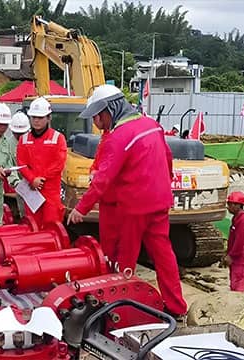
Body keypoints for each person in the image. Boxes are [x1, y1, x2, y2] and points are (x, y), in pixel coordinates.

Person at [67, 84, 187, 318]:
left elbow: (102, 180)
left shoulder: (119, 137)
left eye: (97, 117)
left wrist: (81, 208)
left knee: (124, 259)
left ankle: (120, 307)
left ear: (108, 111)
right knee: (164, 256)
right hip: (159, 202)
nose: (96, 123)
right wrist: (164, 184)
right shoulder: (151, 125)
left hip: (133, 207)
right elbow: (167, 158)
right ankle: (177, 307)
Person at [16, 97, 67, 226]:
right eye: (33, 117)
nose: (36, 120)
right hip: (32, 191)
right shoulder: (24, 139)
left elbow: (59, 164)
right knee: (32, 226)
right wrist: (32, 179)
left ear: (49, 118)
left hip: (50, 193)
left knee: (52, 227)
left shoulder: (58, 138)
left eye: (40, 117)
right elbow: (21, 163)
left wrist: (40, 178)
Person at [89, 130, 119, 262]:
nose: (95, 121)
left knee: (119, 243)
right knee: (107, 242)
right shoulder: (105, 136)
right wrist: (93, 171)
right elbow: (98, 160)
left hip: (117, 200)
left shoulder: (117, 137)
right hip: (106, 199)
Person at [225, 191, 244, 292]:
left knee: (238, 285)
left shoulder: (243, 220)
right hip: (238, 257)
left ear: (237, 205)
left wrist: (231, 255)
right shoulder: (236, 218)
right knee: (234, 283)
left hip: (241, 258)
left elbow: (240, 241)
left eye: (230, 204)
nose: (228, 207)